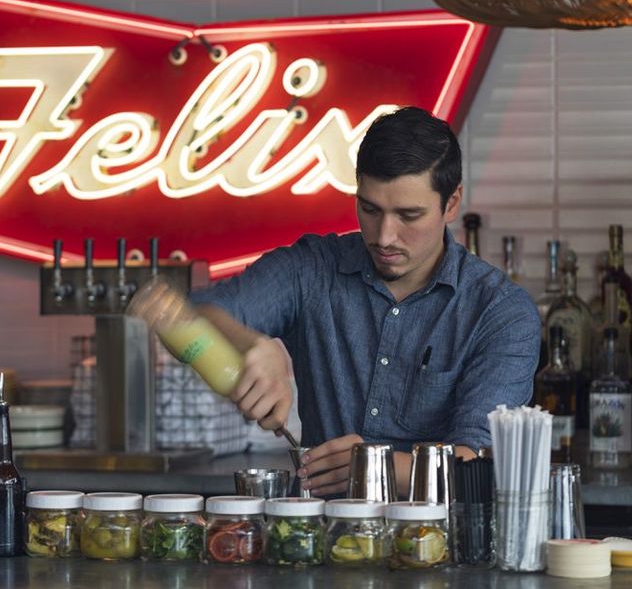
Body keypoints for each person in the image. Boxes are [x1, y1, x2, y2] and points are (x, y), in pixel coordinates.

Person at [190, 106, 540, 496]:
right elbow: (193, 315)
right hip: (319, 543)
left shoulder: (500, 312)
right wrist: (248, 344)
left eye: (409, 215)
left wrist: (374, 466)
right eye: (370, 210)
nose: (385, 236)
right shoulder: (313, 269)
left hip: (441, 548)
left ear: (452, 202)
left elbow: (479, 463)